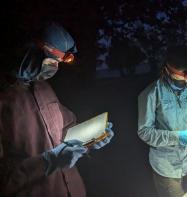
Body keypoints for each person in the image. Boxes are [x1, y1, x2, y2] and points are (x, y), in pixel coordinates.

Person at [0, 22, 114, 197]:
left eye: (59, 62)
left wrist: (91, 139)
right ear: (31, 51)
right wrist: (47, 162)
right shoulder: (4, 98)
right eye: (53, 61)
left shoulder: (43, 88)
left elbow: (66, 130)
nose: (55, 67)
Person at [138, 46, 187, 197]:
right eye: (184, 75)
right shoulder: (151, 93)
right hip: (166, 166)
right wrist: (177, 137)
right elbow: (145, 132)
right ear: (169, 71)